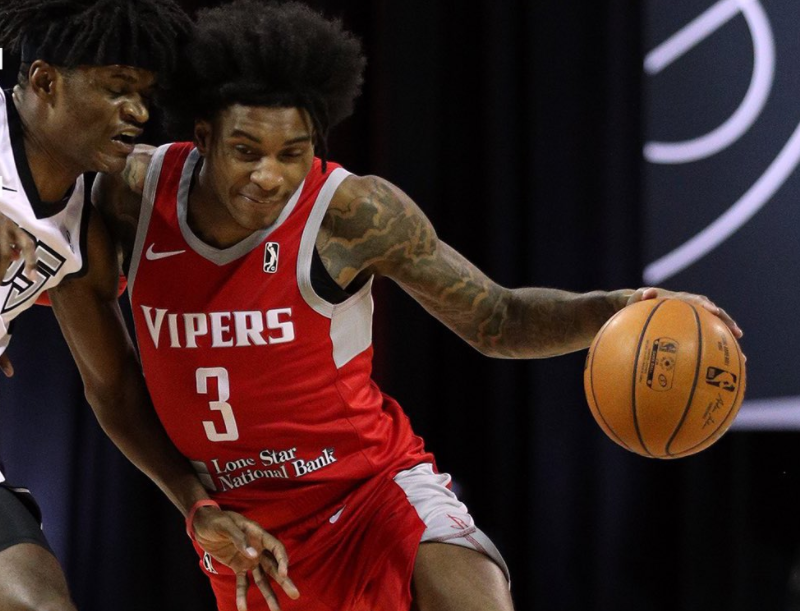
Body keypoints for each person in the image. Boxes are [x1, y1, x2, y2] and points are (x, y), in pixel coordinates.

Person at [94, 2, 743, 610]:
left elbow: (498, 319)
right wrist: (194, 504)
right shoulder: (131, 198)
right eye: (246, 152)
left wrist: (617, 307)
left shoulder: (351, 213)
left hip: (372, 490)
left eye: (292, 153)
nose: (269, 176)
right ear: (203, 136)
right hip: (244, 530)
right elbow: (113, 388)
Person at [0, 2, 296, 610]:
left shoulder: (82, 234)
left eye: (143, 94)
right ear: (45, 81)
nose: (137, 111)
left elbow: (114, 391)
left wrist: (196, 504)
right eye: (117, 88)